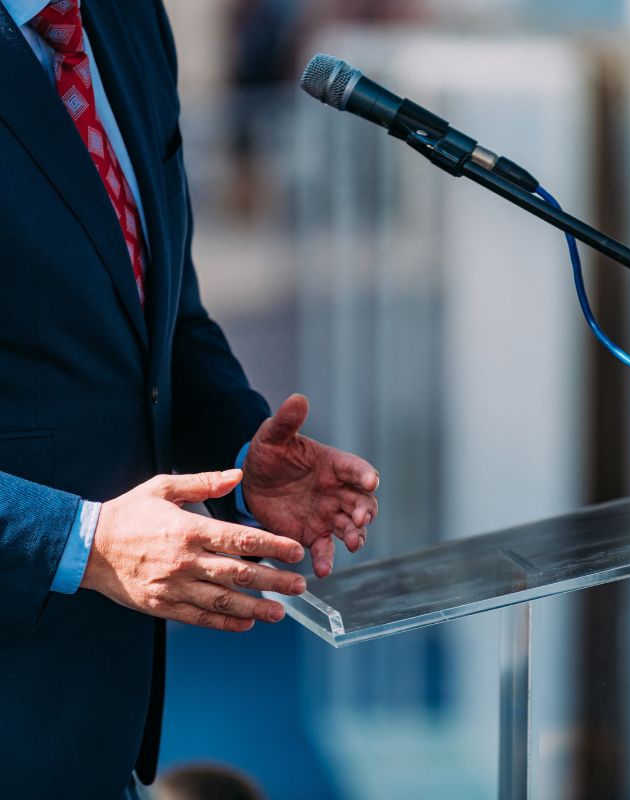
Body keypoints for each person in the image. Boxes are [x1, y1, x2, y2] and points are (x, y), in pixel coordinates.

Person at [0, 2, 379, 799]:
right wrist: (85, 540)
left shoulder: (126, 17)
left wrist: (244, 457)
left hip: (98, 710)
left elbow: (161, 317)